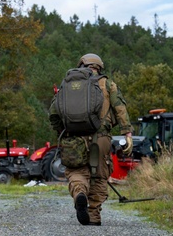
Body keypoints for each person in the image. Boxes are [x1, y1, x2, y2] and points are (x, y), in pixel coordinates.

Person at [49, 53, 133, 226]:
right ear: (99, 67)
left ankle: (80, 193)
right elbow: (120, 108)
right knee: (99, 175)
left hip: (73, 138)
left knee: (76, 171)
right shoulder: (108, 84)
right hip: (101, 138)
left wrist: (62, 131)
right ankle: (93, 214)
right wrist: (127, 133)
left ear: (81, 64)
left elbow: (53, 113)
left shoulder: (68, 85)